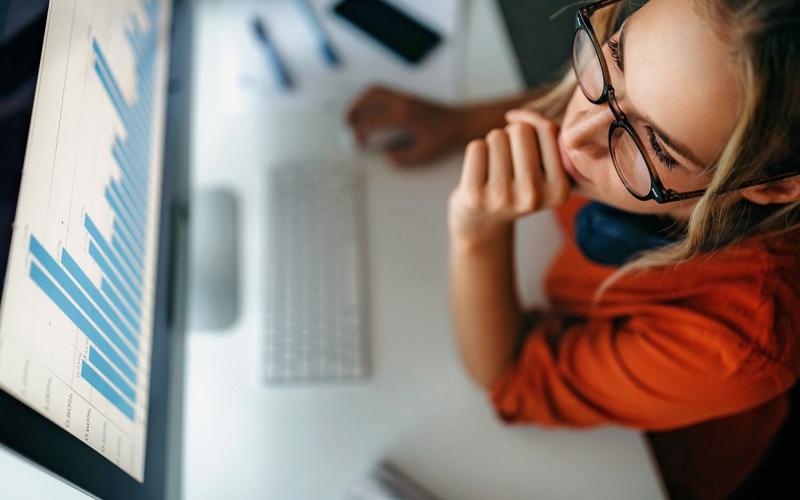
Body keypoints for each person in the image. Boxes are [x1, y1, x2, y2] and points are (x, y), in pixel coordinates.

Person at [347, 0, 800, 498]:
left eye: (655, 148)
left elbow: (511, 376)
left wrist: (478, 232)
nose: (575, 135)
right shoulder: (613, 127)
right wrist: (457, 123)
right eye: (614, 60)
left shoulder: (739, 344)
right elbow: (629, 103)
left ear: (773, 187)